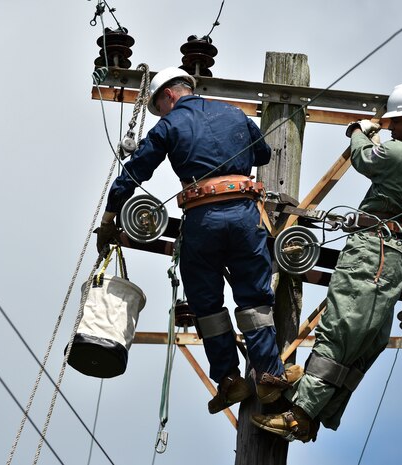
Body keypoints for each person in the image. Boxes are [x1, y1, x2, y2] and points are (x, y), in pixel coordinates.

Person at [96, 67, 302, 415]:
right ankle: (269, 377)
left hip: (202, 221)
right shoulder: (234, 113)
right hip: (244, 217)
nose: (161, 114)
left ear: (169, 96)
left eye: (159, 107)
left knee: (208, 307)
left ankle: (228, 381)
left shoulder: (170, 125)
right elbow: (264, 154)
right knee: (254, 301)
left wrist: (110, 214)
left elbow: (136, 170)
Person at [251, 83, 402, 441]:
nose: (390, 127)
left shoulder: (400, 155)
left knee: (344, 327)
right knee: (367, 340)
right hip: (397, 252)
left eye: (398, 122)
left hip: (374, 248)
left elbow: (364, 157)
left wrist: (358, 130)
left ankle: (300, 414)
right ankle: (314, 411)